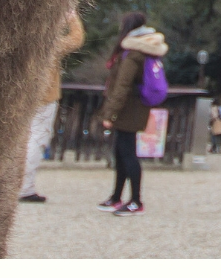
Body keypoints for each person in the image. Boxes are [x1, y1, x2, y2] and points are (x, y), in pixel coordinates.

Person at [97, 11, 167, 217]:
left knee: (128, 154)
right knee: (120, 153)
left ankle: (136, 200)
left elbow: (122, 86)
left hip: (128, 109)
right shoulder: (144, 51)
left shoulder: (133, 53)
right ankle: (116, 196)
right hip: (134, 108)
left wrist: (109, 114)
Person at [19, 12, 86, 204]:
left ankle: (11, 184)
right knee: (37, 139)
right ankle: (25, 187)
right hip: (45, 96)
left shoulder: (22, 41)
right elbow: (76, 39)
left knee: (19, 141)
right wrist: (72, 18)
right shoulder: (49, 44)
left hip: (21, 97)